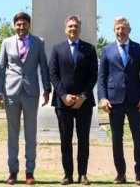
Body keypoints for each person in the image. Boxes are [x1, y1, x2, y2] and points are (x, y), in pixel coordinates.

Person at [0, 11, 52, 186]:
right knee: (12, 133)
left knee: (30, 133)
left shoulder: (38, 42)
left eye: (24, 24)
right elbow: (1, 67)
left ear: (29, 25)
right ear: (15, 26)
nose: (21, 27)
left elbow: (44, 66)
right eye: (18, 24)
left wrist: (47, 89)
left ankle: (30, 171)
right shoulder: (6, 43)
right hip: (11, 92)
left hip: (31, 92)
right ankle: (13, 171)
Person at [98, 16, 140, 186]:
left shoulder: (139, 49)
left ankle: (139, 174)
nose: (120, 32)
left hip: (135, 101)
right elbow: (102, 76)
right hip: (114, 101)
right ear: (114, 30)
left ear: (129, 30)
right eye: (117, 29)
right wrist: (103, 97)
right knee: (116, 139)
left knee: (138, 138)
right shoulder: (107, 50)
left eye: (123, 28)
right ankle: (120, 173)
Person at [49, 15, 98, 186]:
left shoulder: (90, 49)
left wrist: (83, 96)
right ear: (65, 29)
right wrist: (64, 95)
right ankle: (67, 175)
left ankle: (82, 174)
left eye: (75, 26)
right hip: (63, 102)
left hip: (84, 102)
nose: (73, 29)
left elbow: (94, 75)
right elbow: (53, 74)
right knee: (65, 139)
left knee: (83, 139)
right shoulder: (57, 49)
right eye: (70, 26)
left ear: (80, 28)